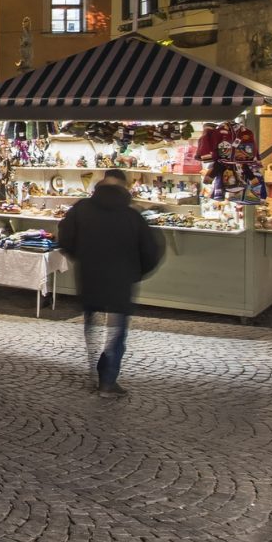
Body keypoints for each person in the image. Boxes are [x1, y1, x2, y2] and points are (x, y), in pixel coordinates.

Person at [55, 169, 163, 397]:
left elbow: (65, 238)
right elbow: (151, 251)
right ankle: (107, 380)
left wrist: (82, 257)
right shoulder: (131, 216)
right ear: (125, 187)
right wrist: (135, 272)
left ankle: (94, 370)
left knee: (91, 327)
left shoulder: (81, 209)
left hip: (90, 278)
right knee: (116, 334)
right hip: (120, 283)